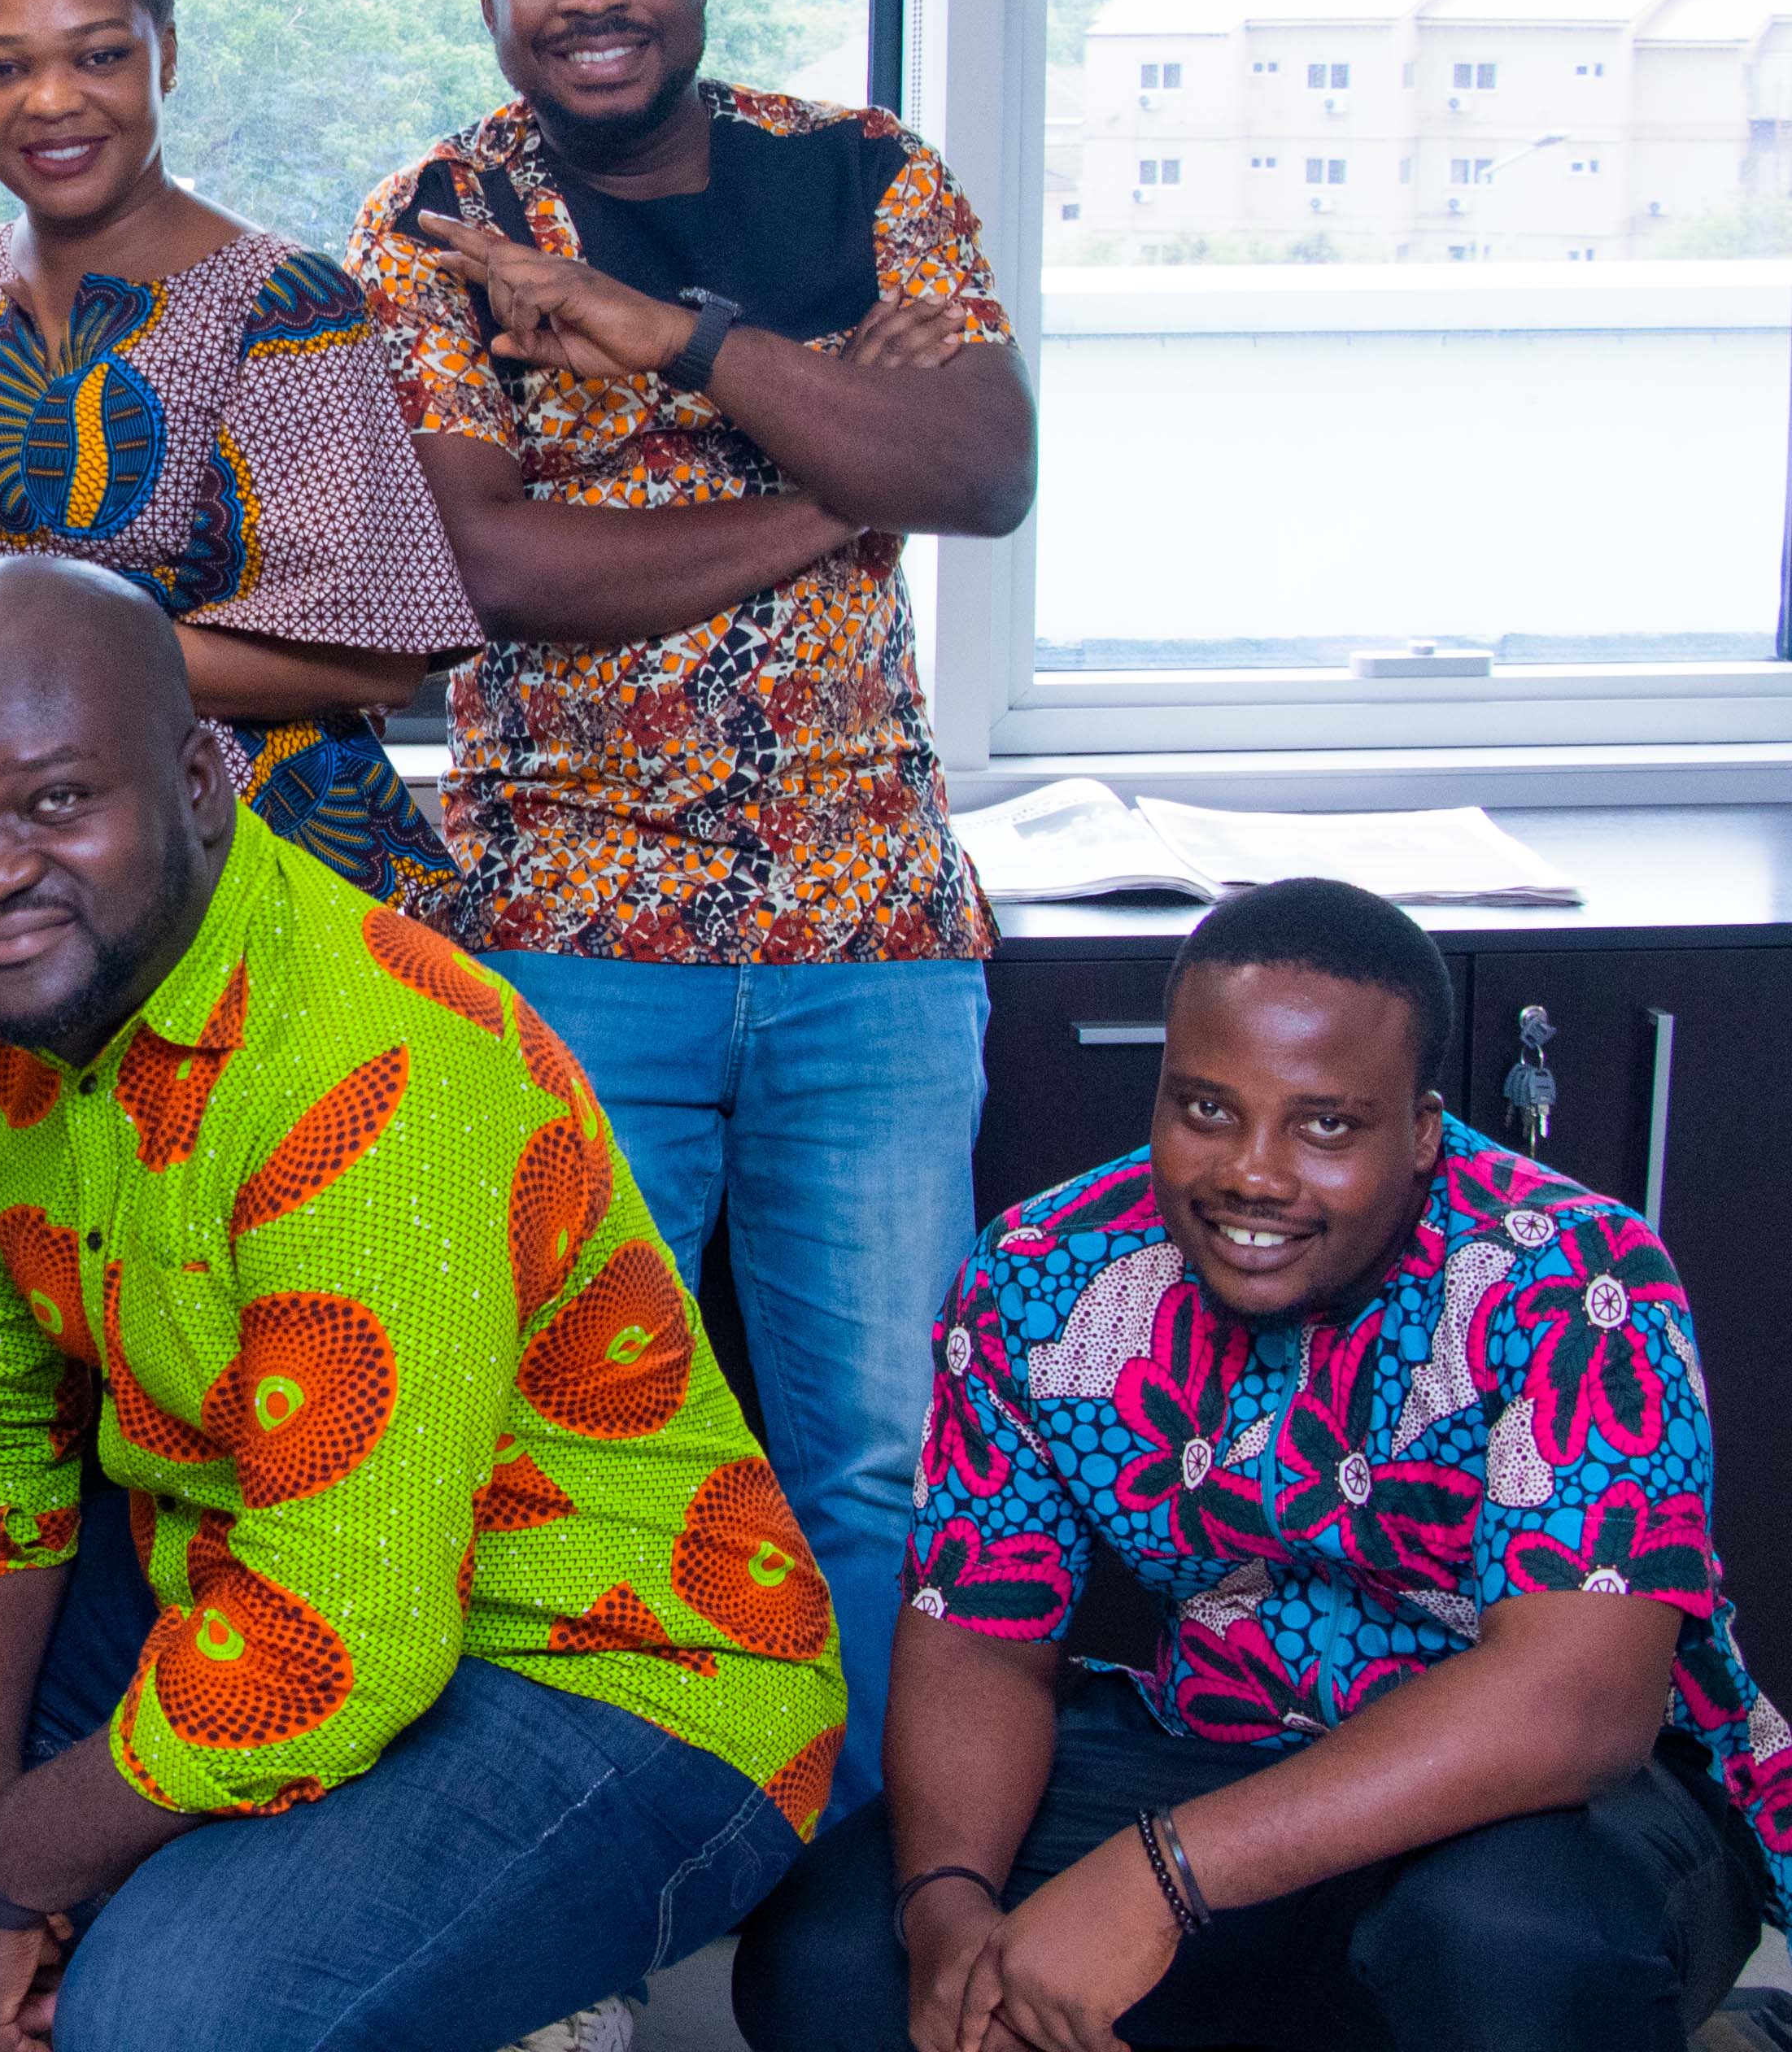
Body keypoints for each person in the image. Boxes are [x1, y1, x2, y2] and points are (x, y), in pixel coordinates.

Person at [0, 555, 842, 2052]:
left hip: (615, 1669)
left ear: (200, 783)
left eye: (57, 801)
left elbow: (337, 1632)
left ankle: (487, 1982)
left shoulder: (370, 1066)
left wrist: (1, 1873)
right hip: (247, 1567)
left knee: (161, 2012)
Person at [352, 0, 1036, 1815]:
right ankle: (614, 1872)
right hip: (571, 933)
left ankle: (865, 1895)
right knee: (580, 1449)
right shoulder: (439, 218)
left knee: (882, 1463)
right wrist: (839, 474)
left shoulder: (865, 170)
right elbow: (496, 568)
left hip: (869, 927)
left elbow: (985, 468)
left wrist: (678, 346)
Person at [737, 878, 1791, 2052]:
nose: (1253, 1173)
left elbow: (1576, 1708)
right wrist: (950, 1913)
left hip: (1558, 1805)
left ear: (1423, 1131)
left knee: (1504, 1945)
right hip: (1225, 1741)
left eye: (1325, 1126)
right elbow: (982, 1636)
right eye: (1207, 1108)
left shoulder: (1575, 1282)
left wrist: (1164, 1875)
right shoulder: (1042, 1272)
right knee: (835, 1956)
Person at [0, 0, 478, 913]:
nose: (50, 100)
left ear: (166, 55)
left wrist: (20, 654)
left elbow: (379, 660)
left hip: (245, 860)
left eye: (99, 55)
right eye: (2, 67)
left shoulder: (282, 302)